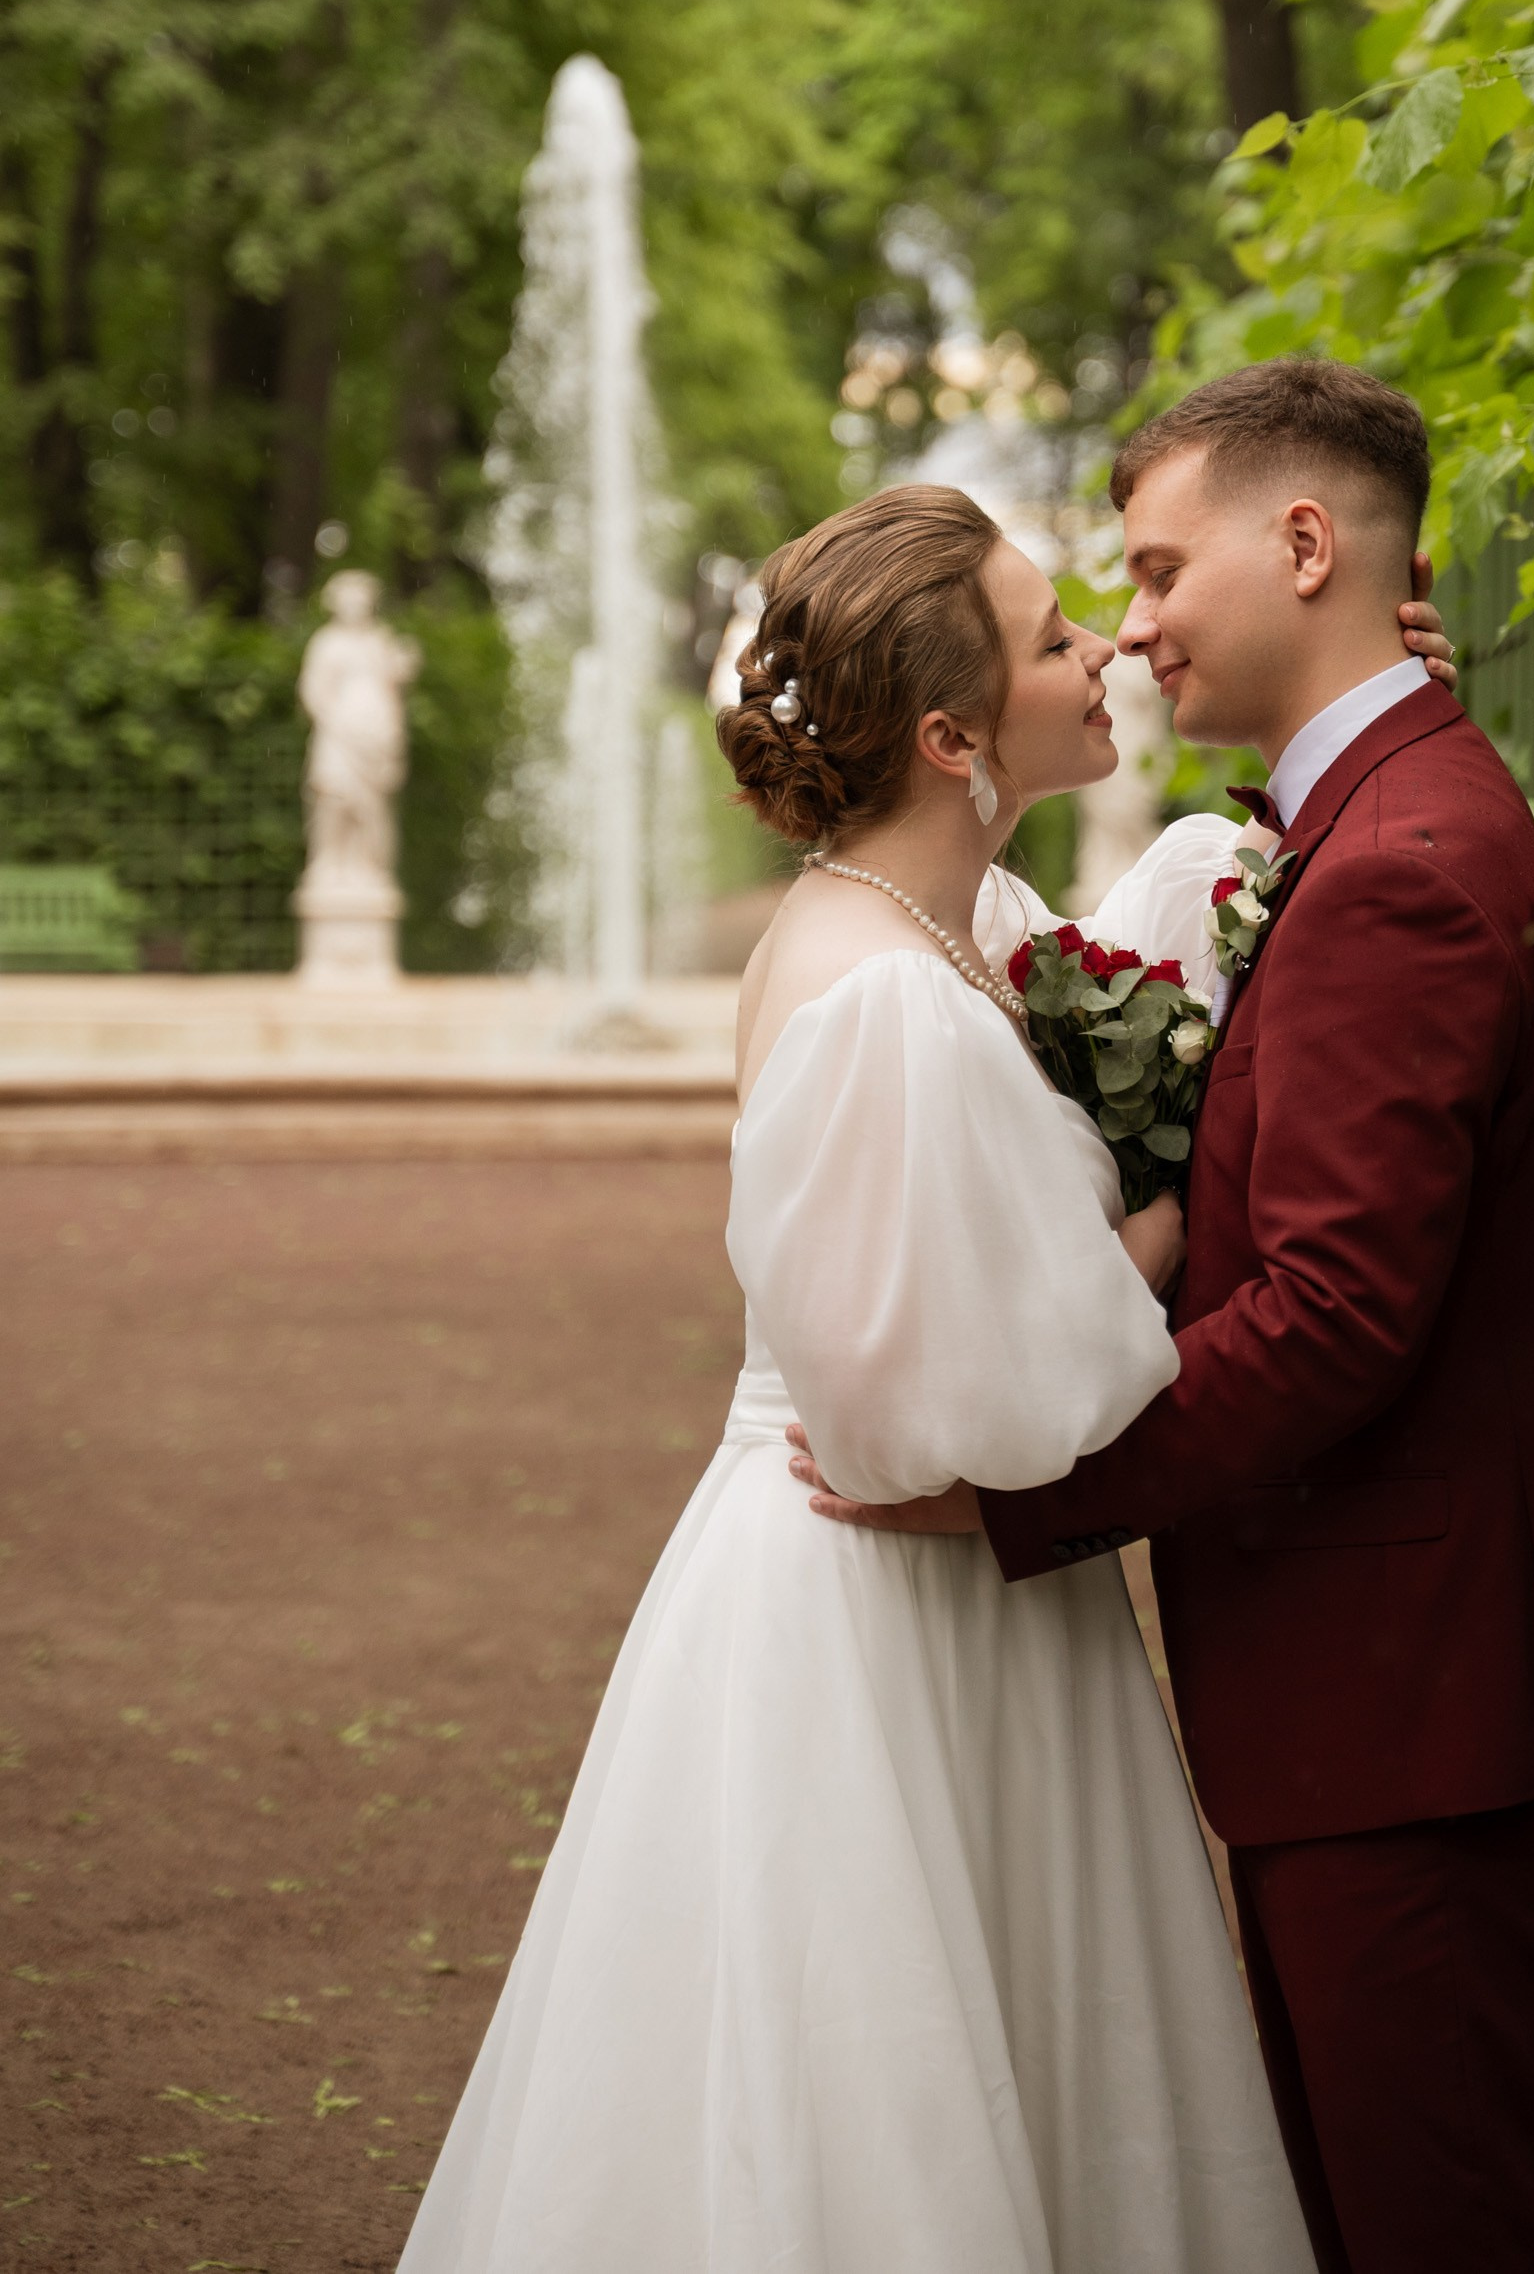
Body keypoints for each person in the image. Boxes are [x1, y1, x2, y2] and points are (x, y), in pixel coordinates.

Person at [398, 477, 1454, 2274]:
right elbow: (981, 1397)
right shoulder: (879, 996)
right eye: (1057, 638)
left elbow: (1141, 1000)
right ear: (957, 732)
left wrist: (1346, 715)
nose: (1107, 643)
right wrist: (1196, 1217)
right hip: (885, 1595)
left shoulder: (967, 930)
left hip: (975, 1583)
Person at [793, 362, 1534, 2274]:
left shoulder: (1403, 863)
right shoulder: (1373, 817)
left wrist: (1020, 1502)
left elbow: (1340, 1317)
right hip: (1392, 1692)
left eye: (1163, 570)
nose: (1139, 626)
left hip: (1414, 1702)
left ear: (1304, 545)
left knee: (1451, 2226)